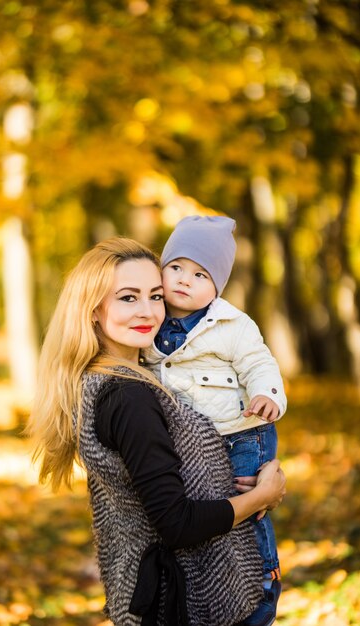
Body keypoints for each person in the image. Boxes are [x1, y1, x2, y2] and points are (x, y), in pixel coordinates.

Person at [27, 237, 286, 626]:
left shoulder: (122, 381)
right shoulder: (130, 398)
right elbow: (176, 523)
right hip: (186, 603)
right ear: (93, 311)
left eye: (156, 296)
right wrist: (264, 495)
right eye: (128, 298)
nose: (148, 311)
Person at [144, 215, 287, 626]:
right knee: (214, 514)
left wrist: (267, 395)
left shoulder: (231, 324)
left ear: (217, 285)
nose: (185, 280)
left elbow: (259, 362)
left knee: (250, 509)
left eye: (200, 274)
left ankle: (262, 577)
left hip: (243, 433)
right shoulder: (152, 322)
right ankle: (216, 586)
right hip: (197, 442)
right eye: (176, 268)